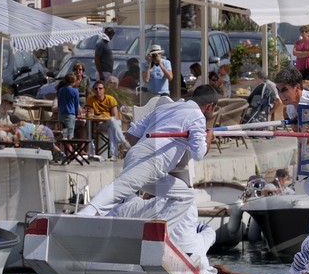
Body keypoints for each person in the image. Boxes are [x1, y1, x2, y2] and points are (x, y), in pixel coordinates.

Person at [80, 84, 220, 216]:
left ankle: (162, 230)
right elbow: (198, 153)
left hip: (149, 163)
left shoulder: (166, 108)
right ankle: (86, 214)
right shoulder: (197, 116)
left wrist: (142, 150)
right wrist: (208, 137)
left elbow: (132, 133)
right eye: (214, 109)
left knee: (185, 196)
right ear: (209, 106)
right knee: (121, 186)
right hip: (152, 159)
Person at [83, 80, 127, 157]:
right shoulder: (91, 99)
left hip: (112, 122)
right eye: (96, 89)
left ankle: (113, 154)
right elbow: (90, 115)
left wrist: (105, 117)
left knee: (111, 126)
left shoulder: (110, 99)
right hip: (100, 124)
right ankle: (123, 141)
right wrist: (100, 117)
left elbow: (115, 116)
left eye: (100, 88)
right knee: (112, 122)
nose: (98, 90)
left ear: (104, 90)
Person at [55, 63, 82, 141]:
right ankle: (69, 152)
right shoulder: (75, 91)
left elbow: (59, 102)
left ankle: (61, 149)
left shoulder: (60, 90)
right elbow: (76, 103)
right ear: (74, 81)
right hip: (70, 114)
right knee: (70, 135)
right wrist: (77, 114)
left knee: (63, 134)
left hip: (61, 113)